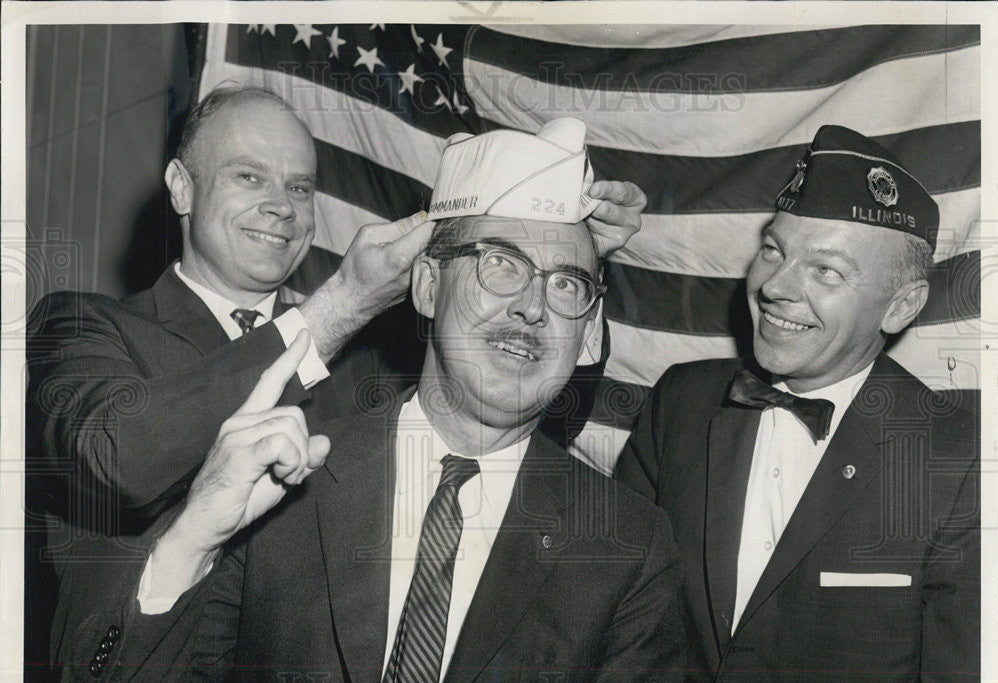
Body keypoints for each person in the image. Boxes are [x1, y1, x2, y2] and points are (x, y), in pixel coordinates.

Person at [43, 118, 711, 683]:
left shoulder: (628, 545)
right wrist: (191, 540)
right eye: (501, 265)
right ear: (424, 286)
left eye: (564, 286)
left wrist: (570, 279)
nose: (533, 305)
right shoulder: (286, 476)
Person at [26, 84, 646, 533]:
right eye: (249, 177)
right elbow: (116, 461)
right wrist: (342, 305)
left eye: (299, 186)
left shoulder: (369, 361)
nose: (281, 205)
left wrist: (576, 261)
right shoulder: (83, 325)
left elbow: (522, 425)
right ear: (182, 186)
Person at [615, 125, 980, 683]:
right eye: (774, 251)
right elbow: (617, 635)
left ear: (901, 306)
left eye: (826, 271)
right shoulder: (681, 403)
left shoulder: (958, 459)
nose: (776, 287)